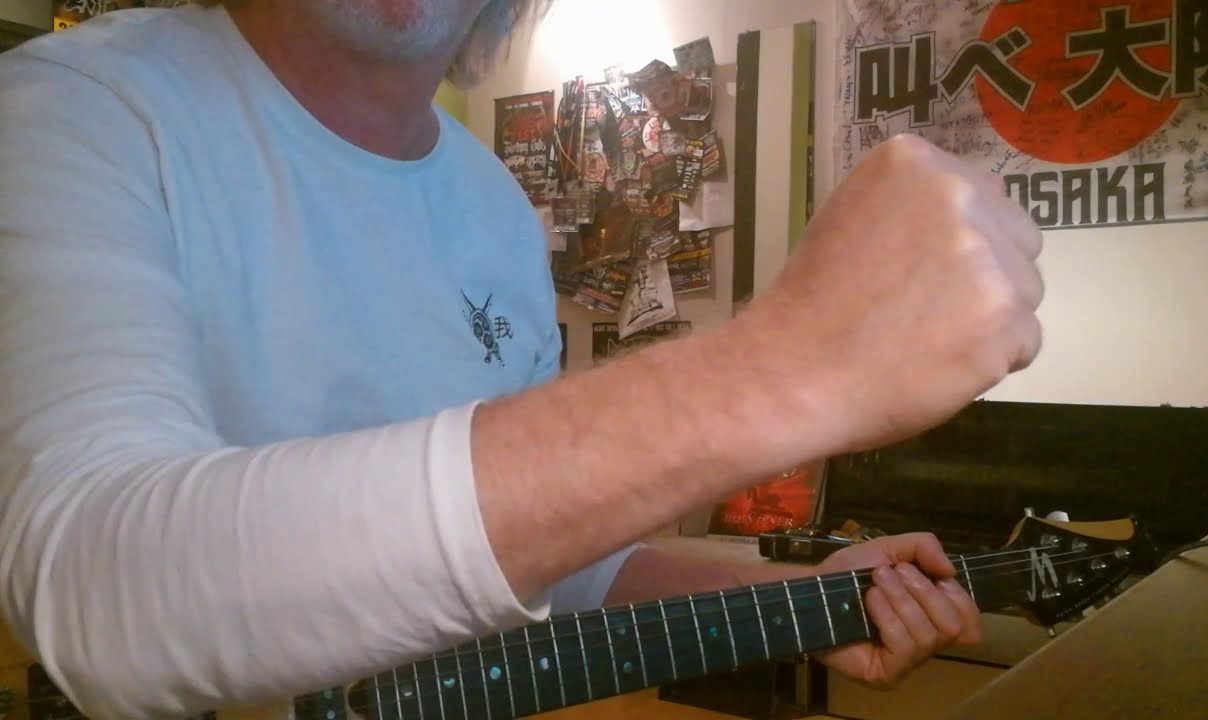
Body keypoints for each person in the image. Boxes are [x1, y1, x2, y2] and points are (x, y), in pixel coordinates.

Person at [0, 0, 1044, 718]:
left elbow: (558, 566)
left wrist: (796, 602)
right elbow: (97, 590)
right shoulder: (77, 107)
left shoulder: (490, 203)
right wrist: (784, 368)